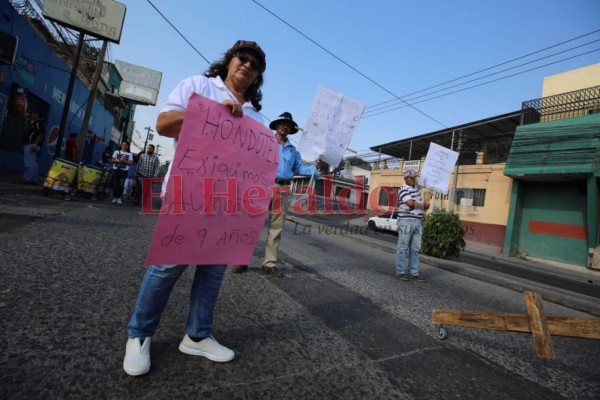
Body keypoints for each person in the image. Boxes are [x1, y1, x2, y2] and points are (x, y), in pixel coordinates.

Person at [123, 40, 267, 376]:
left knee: (213, 270)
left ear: (258, 76)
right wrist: (214, 115)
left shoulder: (258, 116)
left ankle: (197, 335)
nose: (246, 65)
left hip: (230, 202)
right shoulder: (198, 86)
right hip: (190, 192)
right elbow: (163, 125)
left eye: (254, 64)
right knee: (168, 265)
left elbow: (258, 161)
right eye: (241, 58)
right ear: (229, 61)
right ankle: (139, 335)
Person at [231, 112, 321, 277]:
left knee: (276, 228)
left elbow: (299, 169)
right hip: (262, 186)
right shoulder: (264, 142)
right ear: (277, 125)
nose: (285, 126)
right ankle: (242, 260)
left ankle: (269, 264)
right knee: (252, 225)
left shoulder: (293, 151)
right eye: (282, 123)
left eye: (288, 124)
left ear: (290, 129)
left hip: (283, 189)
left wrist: (316, 168)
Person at [395, 170, 430, 282]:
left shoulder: (417, 190)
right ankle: (400, 271)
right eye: (412, 177)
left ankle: (413, 273)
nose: (414, 179)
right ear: (406, 178)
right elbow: (410, 203)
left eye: (415, 178)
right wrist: (424, 205)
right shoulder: (403, 189)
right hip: (406, 221)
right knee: (403, 248)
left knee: (415, 249)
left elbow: (422, 204)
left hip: (418, 222)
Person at [23, 111, 45, 184]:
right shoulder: (35, 123)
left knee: (28, 162)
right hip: (32, 144)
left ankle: (28, 179)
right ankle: (33, 180)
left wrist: (35, 144)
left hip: (31, 144)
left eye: (33, 113)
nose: (31, 114)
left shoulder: (39, 123)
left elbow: (41, 134)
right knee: (33, 162)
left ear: (37, 114)